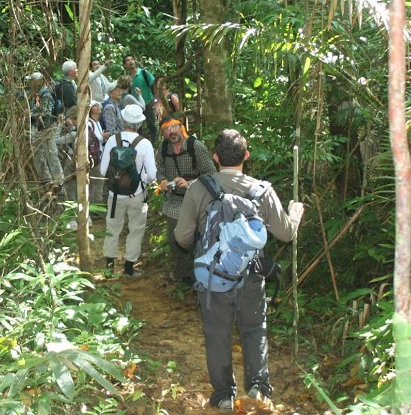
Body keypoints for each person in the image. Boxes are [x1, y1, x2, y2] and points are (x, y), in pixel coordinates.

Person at [175, 129, 304, 410]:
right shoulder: (262, 191)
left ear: (216, 157)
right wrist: (296, 211)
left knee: (217, 334)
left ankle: (223, 396)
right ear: (246, 156)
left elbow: (182, 237)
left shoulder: (199, 188)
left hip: (212, 277)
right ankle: (258, 388)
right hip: (252, 274)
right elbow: (285, 233)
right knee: (254, 329)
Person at [154, 116, 215, 286]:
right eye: (166, 129)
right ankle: (183, 276)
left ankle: (201, 276)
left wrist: (190, 183)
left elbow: (211, 174)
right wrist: (163, 180)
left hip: (197, 201)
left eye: (173, 127)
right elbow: (159, 169)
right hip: (174, 202)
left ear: (181, 127)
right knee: (175, 239)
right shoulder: (164, 148)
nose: (171, 131)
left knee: (198, 239)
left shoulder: (196, 147)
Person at [99, 105, 157, 277]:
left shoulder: (112, 140)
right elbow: (152, 175)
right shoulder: (144, 143)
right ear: (139, 123)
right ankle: (129, 268)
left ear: (123, 121)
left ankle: (109, 267)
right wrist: (142, 180)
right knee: (136, 229)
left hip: (115, 194)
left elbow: (103, 171)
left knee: (112, 227)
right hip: (136, 194)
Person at [27, 72, 64, 191]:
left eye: (32, 80)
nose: (30, 83)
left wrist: (29, 114)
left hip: (46, 128)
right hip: (38, 128)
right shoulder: (37, 93)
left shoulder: (46, 94)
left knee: (51, 153)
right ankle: (45, 179)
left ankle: (58, 181)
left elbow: (46, 112)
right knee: (38, 153)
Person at [123, 54, 157, 142]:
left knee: (152, 126)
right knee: (137, 128)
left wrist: (155, 99)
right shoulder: (126, 78)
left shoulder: (144, 73)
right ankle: (138, 144)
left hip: (149, 103)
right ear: (125, 65)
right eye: (128, 60)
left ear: (135, 61)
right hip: (135, 106)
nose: (130, 62)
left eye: (132, 59)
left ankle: (156, 145)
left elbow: (155, 85)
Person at [87, 101, 111, 204]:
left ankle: (95, 204)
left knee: (97, 182)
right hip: (93, 158)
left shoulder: (97, 123)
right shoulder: (89, 123)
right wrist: (102, 137)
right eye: (95, 106)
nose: (98, 107)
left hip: (99, 156)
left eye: (98, 105)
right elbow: (89, 139)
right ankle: (96, 205)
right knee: (97, 182)